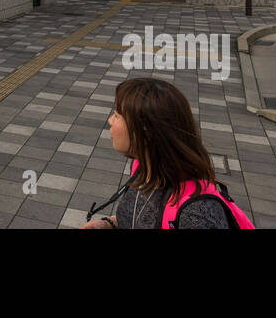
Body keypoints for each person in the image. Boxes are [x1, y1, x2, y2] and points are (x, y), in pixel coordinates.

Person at [83, 77, 237, 229]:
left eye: (117, 115)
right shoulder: (144, 166)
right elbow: (138, 218)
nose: (110, 120)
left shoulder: (196, 214)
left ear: (146, 133)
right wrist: (109, 224)